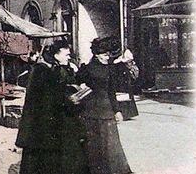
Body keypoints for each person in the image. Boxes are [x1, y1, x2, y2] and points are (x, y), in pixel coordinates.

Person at [16, 40, 88, 174]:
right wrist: (69, 99)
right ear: (56, 55)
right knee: (40, 159)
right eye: (66, 55)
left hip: (44, 122)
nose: (69, 57)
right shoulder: (42, 71)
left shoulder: (50, 69)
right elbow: (48, 98)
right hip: (40, 123)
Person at [77, 37, 131, 174]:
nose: (107, 57)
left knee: (111, 145)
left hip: (106, 109)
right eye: (104, 54)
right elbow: (77, 85)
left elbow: (111, 91)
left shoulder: (110, 69)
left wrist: (117, 110)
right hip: (90, 110)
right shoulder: (87, 68)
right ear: (96, 54)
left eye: (109, 54)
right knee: (94, 145)